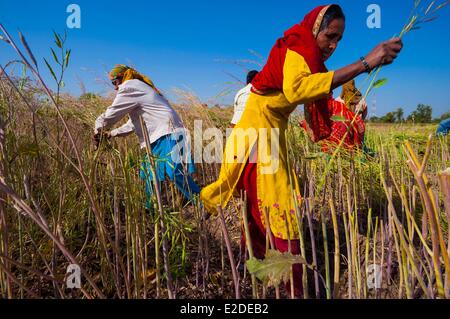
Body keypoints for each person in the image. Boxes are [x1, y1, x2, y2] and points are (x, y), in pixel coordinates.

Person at [200, 4, 402, 297]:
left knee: (257, 203)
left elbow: (310, 89)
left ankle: (252, 264)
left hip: (265, 131)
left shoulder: (308, 57)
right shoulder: (297, 47)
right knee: (280, 203)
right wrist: (365, 62)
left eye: (339, 40)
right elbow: (298, 90)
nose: (333, 45)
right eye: (330, 36)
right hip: (258, 134)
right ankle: (292, 286)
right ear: (315, 29)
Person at [94, 64, 200, 207]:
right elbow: (132, 124)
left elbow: (112, 113)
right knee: (151, 175)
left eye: (115, 82)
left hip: (170, 132)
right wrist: (110, 133)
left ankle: (203, 202)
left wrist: (98, 128)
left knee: (175, 172)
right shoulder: (138, 89)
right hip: (158, 136)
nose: (115, 87)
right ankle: (151, 208)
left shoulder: (129, 87)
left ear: (122, 78)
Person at [321, 79, 368, 151]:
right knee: (357, 150)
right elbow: (364, 116)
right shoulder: (361, 101)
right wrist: (357, 123)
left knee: (342, 150)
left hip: (343, 131)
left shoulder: (338, 100)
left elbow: (333, 118)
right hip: (358, 130)